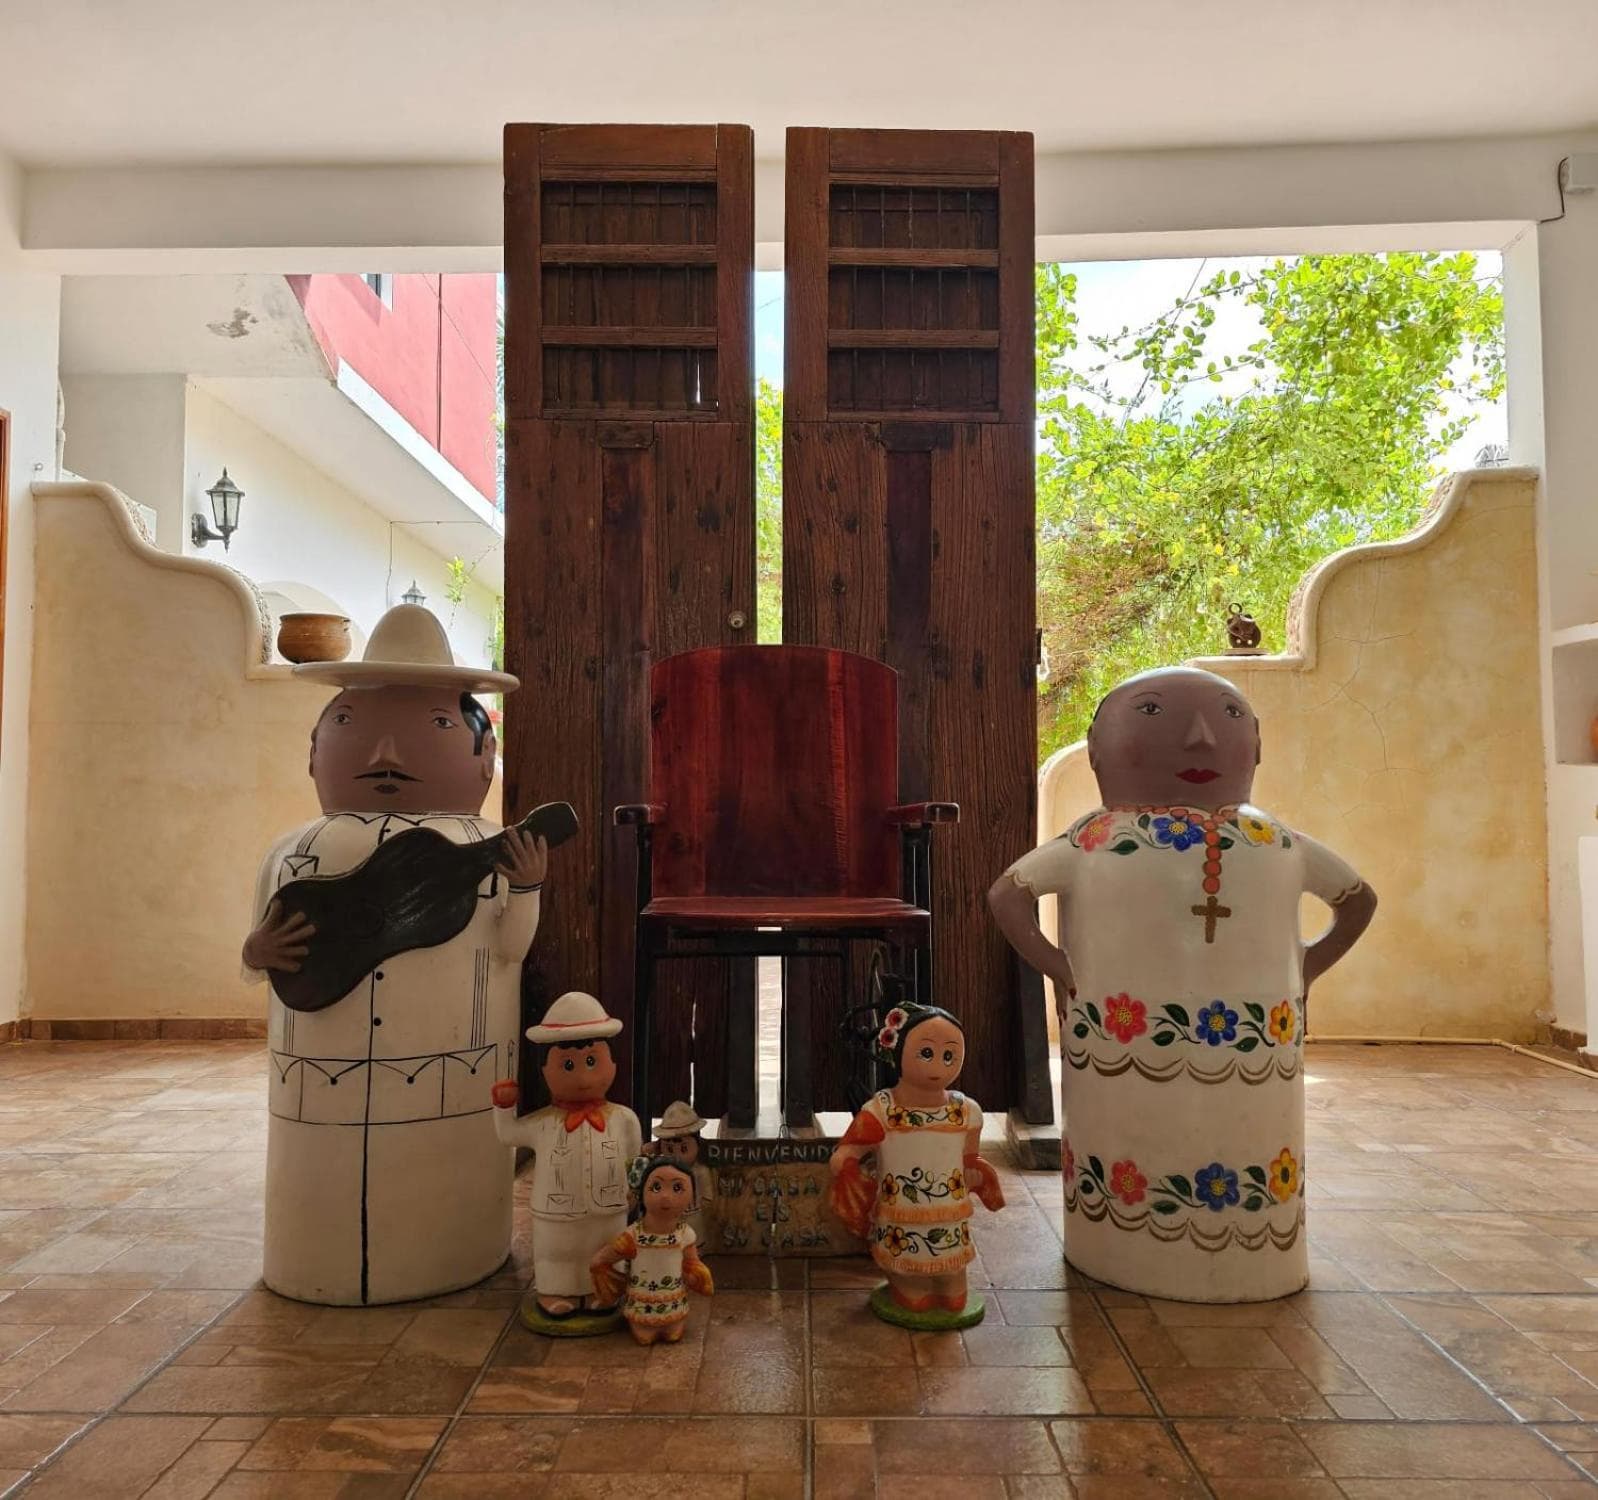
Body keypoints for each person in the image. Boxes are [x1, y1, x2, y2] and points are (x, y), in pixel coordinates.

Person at [988, 666, 1376, 1302]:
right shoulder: (1106, 840)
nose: (1200, 737)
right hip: (1130, 1043)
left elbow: (1008, 894)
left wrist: (1303, 970)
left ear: (1255, 745)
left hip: (1238, 1049)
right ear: (1098, 750)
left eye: (1228, 717)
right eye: (1152, 713)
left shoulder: (1264, 841)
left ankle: (1153, 1251)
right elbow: (1008, 897)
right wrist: (1061, 969)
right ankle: (1134, 1247)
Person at [242, 604, 546, 1306]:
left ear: (483, 756)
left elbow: (510, 948)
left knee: (442, 1158)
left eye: (436, 726)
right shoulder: (294, 852)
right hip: (317, 1079)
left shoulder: (483, 851)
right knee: (319, 1167)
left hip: (451, 1075)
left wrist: (526, 888)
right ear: (315, 749)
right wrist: (259, 949)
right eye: (351, 723)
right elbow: (256, 950)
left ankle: (455, 1247)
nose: (386, 754)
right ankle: (311, 1258)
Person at [829, 1003, 1005, 1328]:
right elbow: (851, 1147)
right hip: (902, 1216)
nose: (938, 1065)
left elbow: (969, 1158)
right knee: (914, 1294)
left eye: (949, 1055)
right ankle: (907, 1283)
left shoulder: (966, 1111)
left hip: (949, 1211)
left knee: (954, 1293)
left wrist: (977, 1175)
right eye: (926, 1053)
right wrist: (845, 1161)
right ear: (897, 1053)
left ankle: (948, 1282)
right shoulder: (883, 1110)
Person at [490, 991, 642, 1323]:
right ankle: (555, 1290)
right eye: (568, 1065)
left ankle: (602, 1290)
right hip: (556, 1211)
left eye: (592, 1062)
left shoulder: (624, 1119)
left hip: (609, 1207)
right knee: (557, 1254)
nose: (583, 1077)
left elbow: (634, 1158)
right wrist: (503, 1106)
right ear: (545, 1070)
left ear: (612, 1063)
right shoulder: (543, 1123)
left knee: (605, 1250)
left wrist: (634, 1190)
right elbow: (508, 1135)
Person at [591, 1158, 714, 1346]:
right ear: (642, 1192)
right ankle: (644, 1325)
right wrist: (600, 1262)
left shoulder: (685, 1235)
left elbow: (692, 1262)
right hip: (642, 1308)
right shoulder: (634, 1234)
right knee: (644, 1335)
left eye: (677, 1188)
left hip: (674, 1307)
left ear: (691, 1196)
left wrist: (696, 1275)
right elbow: (611, 1253)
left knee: (673, 1332)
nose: (665, 1196)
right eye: (656, 1187)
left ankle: (671, 1324)